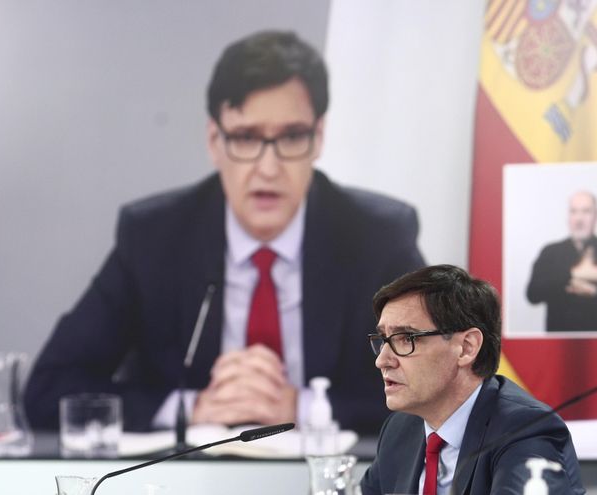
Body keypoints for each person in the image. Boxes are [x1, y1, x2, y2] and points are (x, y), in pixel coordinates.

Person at [23, 30, 425, 434]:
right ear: (214, 140)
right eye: (246, 138)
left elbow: (438, 385)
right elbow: (48, 391)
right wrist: (195, 407)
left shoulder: (377, 238)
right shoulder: (154, 239)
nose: (268, 168)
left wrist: (301, 407)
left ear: (318, 138)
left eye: (290, 137)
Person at [360, 265, 584, 495]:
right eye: (384, 339)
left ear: (467, 348)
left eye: (406, 338)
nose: (383, 360)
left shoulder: (526, 431)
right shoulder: (400, 429)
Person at [526, 190, 597, 331]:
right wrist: (575, 273)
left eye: (586, 212)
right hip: (558, 345)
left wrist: (596, 292)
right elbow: (532, 295)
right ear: (568, 216)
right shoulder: (550, 252)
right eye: (574, 211)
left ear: (596, 216)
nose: (579, 219)